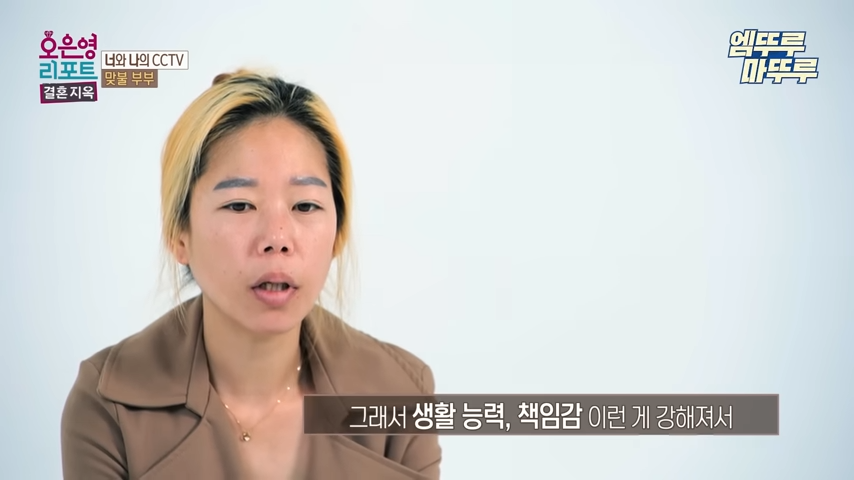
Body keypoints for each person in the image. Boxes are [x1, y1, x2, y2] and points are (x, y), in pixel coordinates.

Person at [60, 70, 441, 480]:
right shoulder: (109, 403)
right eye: (240, 205)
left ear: (337, 233)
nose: (277, 239)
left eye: (305, 206)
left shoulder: (402, 394)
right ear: (179, 234)